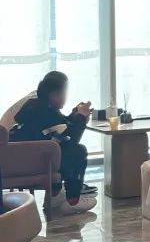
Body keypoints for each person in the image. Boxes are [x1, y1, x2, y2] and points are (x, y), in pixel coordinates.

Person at [10, 74, 96, 215]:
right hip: (35, 164)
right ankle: (73, 200)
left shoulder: (35, 106)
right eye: (64, 93)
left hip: (22, 160)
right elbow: (71, 137)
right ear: (54, 94)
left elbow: (61, 125)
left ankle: (55, 195)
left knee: (61, 148)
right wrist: (81, 117)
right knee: (77, 151)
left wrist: (75, 115)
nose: (65, 97)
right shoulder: (44, 112)